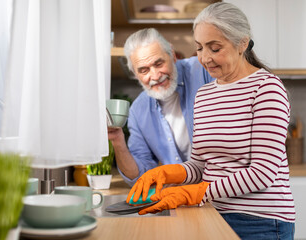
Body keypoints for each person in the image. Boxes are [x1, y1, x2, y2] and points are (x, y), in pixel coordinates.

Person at [126, 2, 295, 239]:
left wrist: (195, 193)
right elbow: (200, 166)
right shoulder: (205, 94)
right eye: (199, 48)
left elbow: (262, 172)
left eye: (215, 48)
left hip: (261, 222)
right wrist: (166, 174)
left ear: (242, 43)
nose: (205, 58)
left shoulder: (266, 88)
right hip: (211, 213)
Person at [108, 28, 214, 186]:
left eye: (159, 63)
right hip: (182, 199)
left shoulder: (204, 70)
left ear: (172, 54)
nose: (155, 76)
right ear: (134, 73)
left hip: (225, 190)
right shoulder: (138, 111)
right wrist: (117, 141)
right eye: (144, 70)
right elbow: (140, 177)